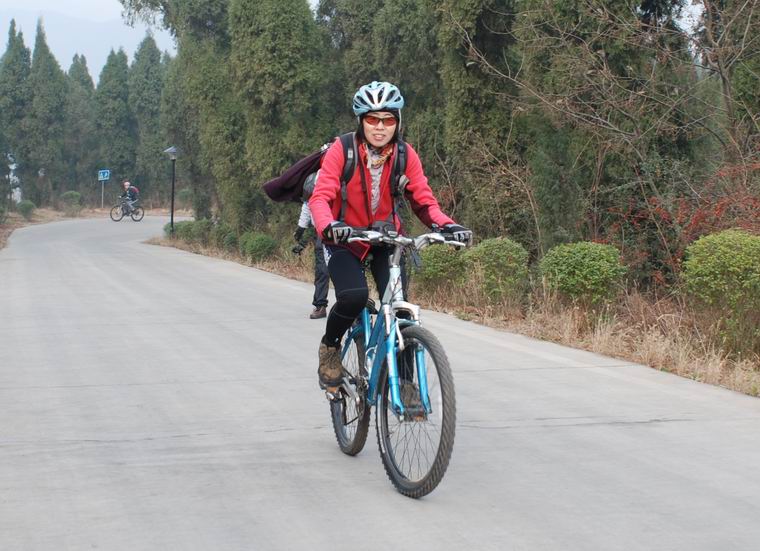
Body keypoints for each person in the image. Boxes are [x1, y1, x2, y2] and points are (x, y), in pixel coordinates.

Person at [308, 81, 472, 391]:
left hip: (387, 241)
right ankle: (330, 347)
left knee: (399, 310)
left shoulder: (405, 155)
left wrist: (447, 225)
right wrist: (328, 225)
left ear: (397, 121)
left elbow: (424, 200)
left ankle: (406, 387)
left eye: (388, 120)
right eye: (372, 119)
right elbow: (321, 197)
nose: (380, 127)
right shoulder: (342, 150)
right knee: (353, 297)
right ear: (361, 121)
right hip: (344, 239)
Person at [292, 175, 329, 319]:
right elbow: (307, 206)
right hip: (321, 232)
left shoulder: (342, 178)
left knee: (346, 270)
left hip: (342, 229)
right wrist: (301, 228)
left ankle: (352, 310)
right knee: (322, 270)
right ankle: (320, 305)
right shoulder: (312, 180)